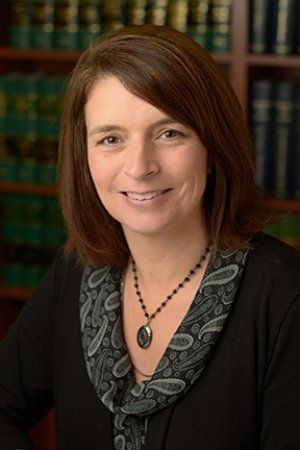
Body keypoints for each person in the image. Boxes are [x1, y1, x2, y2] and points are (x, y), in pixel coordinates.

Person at [0, 25, 300, 450]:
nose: (139, 167)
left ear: (213, 147)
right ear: (83, 156)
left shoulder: (285, 298)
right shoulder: (76, 273)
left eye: (169, 133)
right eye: (111, 139)